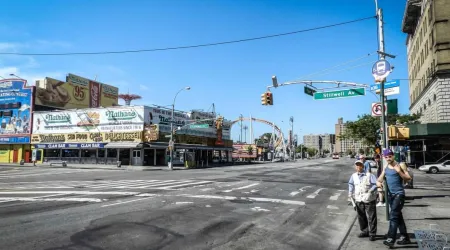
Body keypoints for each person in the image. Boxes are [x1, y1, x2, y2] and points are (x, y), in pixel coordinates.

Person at [377, 149, 412, 247]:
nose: (388, 158)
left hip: (399, 195)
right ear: (384, 157)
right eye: (386, 156)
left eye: (390, 156)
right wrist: (378, 183)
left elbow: (408, 178)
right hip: (391, 196)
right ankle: (405, 237)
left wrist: (399, 172)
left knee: (393, 216)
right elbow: (379, 179)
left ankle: (391, 238)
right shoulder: (386, 167)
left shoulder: (400, 165)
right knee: (398, 216)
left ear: (393, 156)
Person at [348, 160, 378, 241]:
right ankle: (365, 231)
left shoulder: (369, 175)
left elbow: (376, 184)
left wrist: (371, 191)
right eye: (357, 165)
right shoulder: (353, 176)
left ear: (363, 166)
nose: (358, 167)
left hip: (369, 198)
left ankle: (372, 233)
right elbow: (350, 184)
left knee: (372, 217)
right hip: (358, 198)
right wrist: (350, 193)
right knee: (361, 216)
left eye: (360, 165)